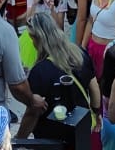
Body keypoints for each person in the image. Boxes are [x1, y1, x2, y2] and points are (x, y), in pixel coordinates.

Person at [18, 11, 101, 139]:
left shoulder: (39, 71)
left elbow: (33, 111)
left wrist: (20, 138)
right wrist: (95, 112)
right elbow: (94, 88)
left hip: (51, 136)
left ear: (37, 38)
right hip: (80, 131)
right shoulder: (80, 54)